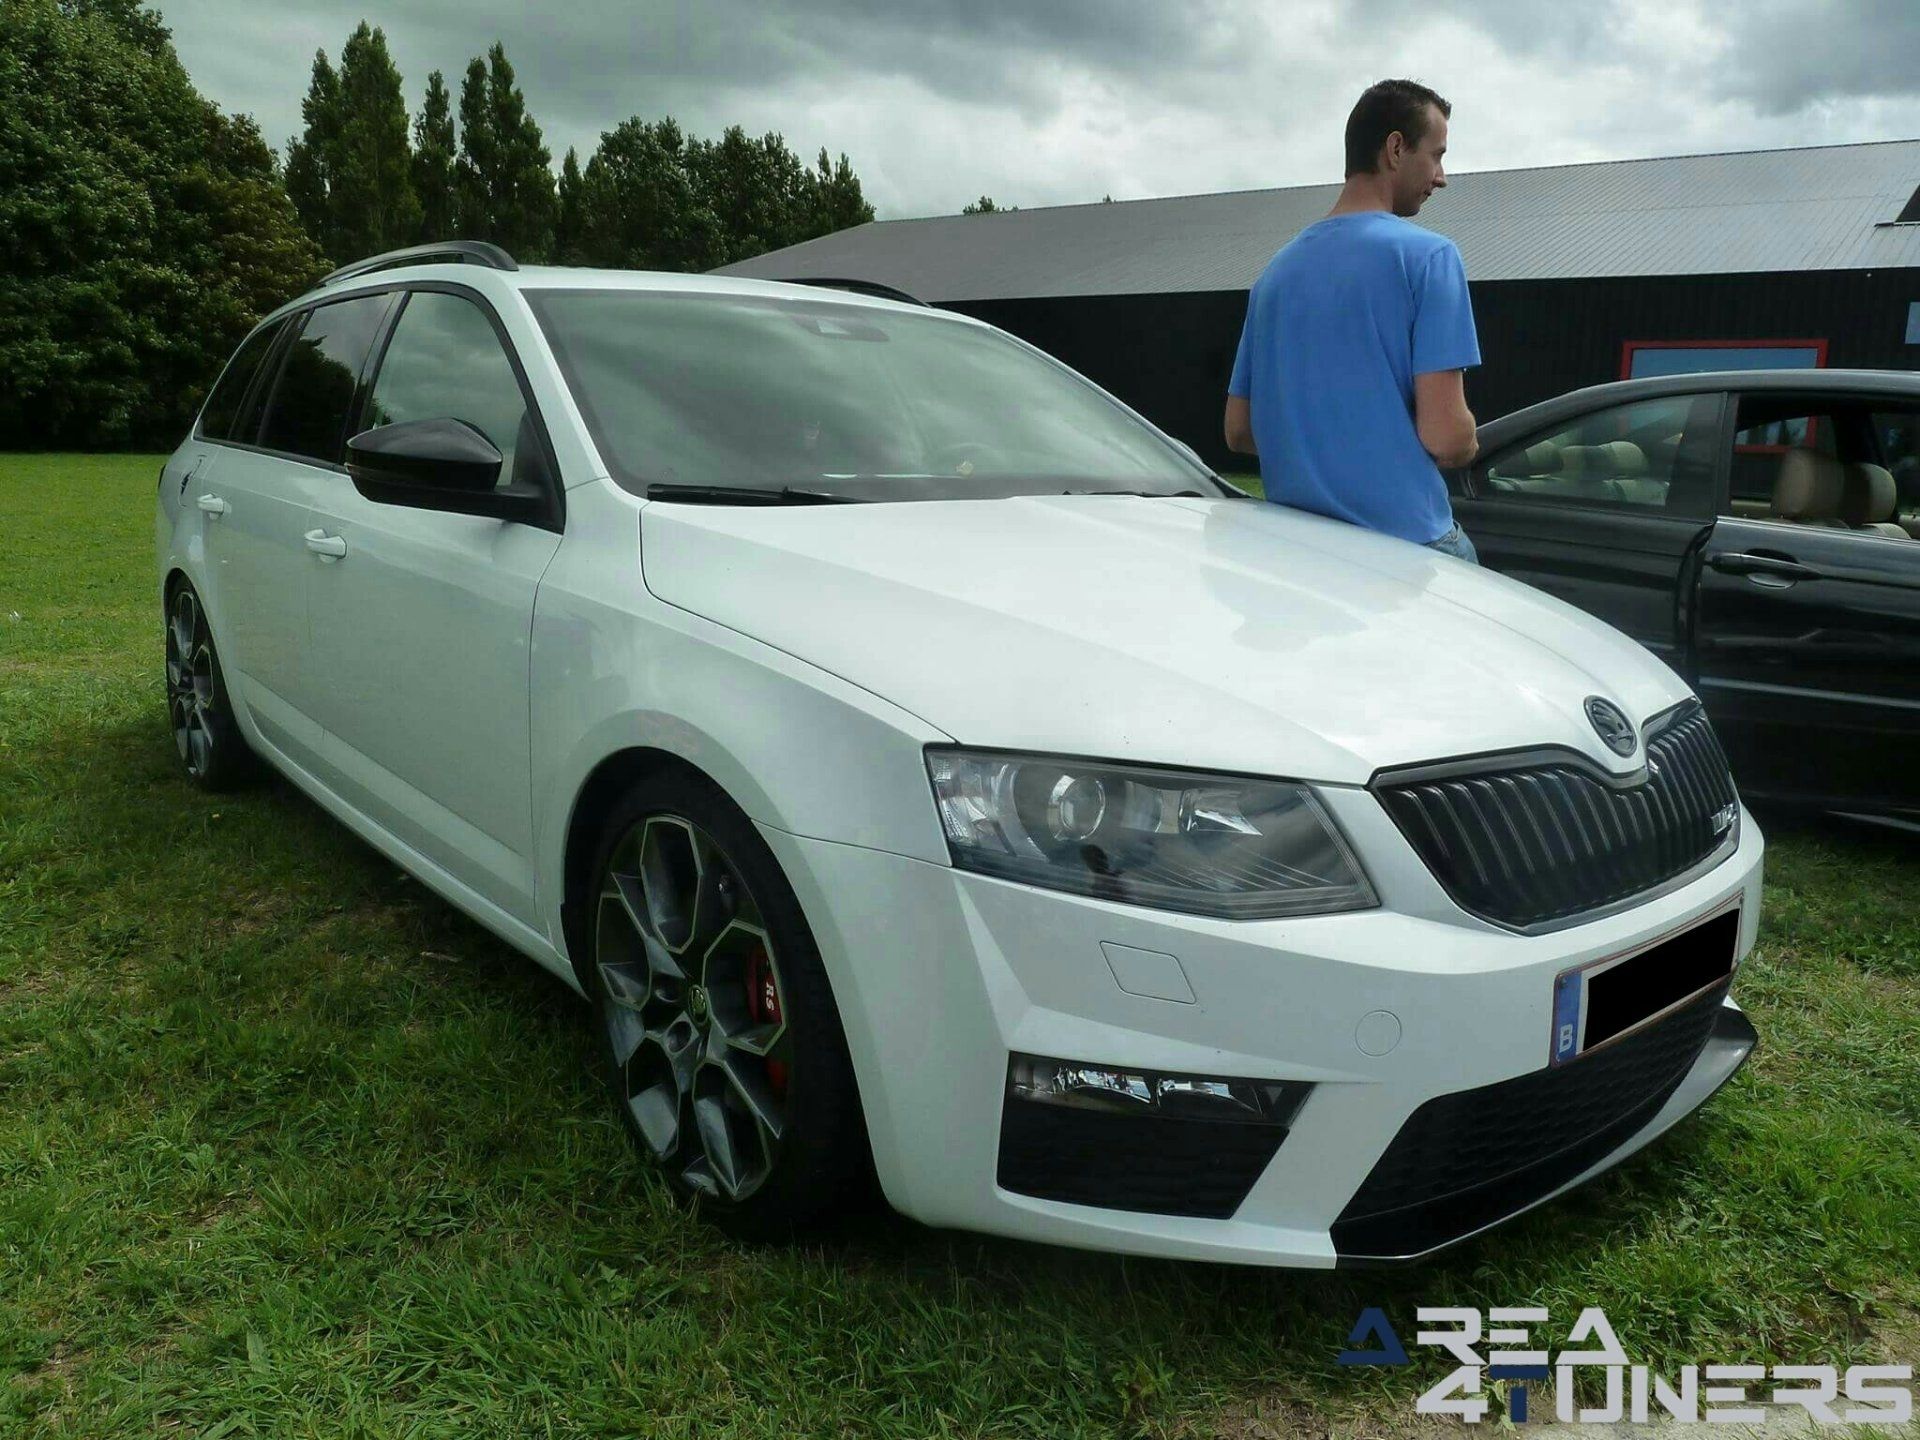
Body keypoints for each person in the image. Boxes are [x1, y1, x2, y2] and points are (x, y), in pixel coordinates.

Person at [1224, 78, 1482, 561]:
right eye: (1438, 154)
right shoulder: (1430, 258)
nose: (1442, 176)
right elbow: (1447, 439)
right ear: (1396, 148)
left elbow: (1239, 430)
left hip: (1299, 546)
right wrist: (1469, 440)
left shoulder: (1273, 276)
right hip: (1409, 546)